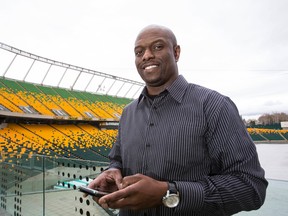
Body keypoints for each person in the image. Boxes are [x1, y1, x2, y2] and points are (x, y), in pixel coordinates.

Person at [86, 24, 268, 216]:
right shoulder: (128, 112)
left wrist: (169, 193)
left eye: (157, 47)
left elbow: (251, 187)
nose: (146, 55)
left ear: (176, 52)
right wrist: (112, 172)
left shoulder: (214, 105)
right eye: (139, 52)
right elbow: (117, 160)